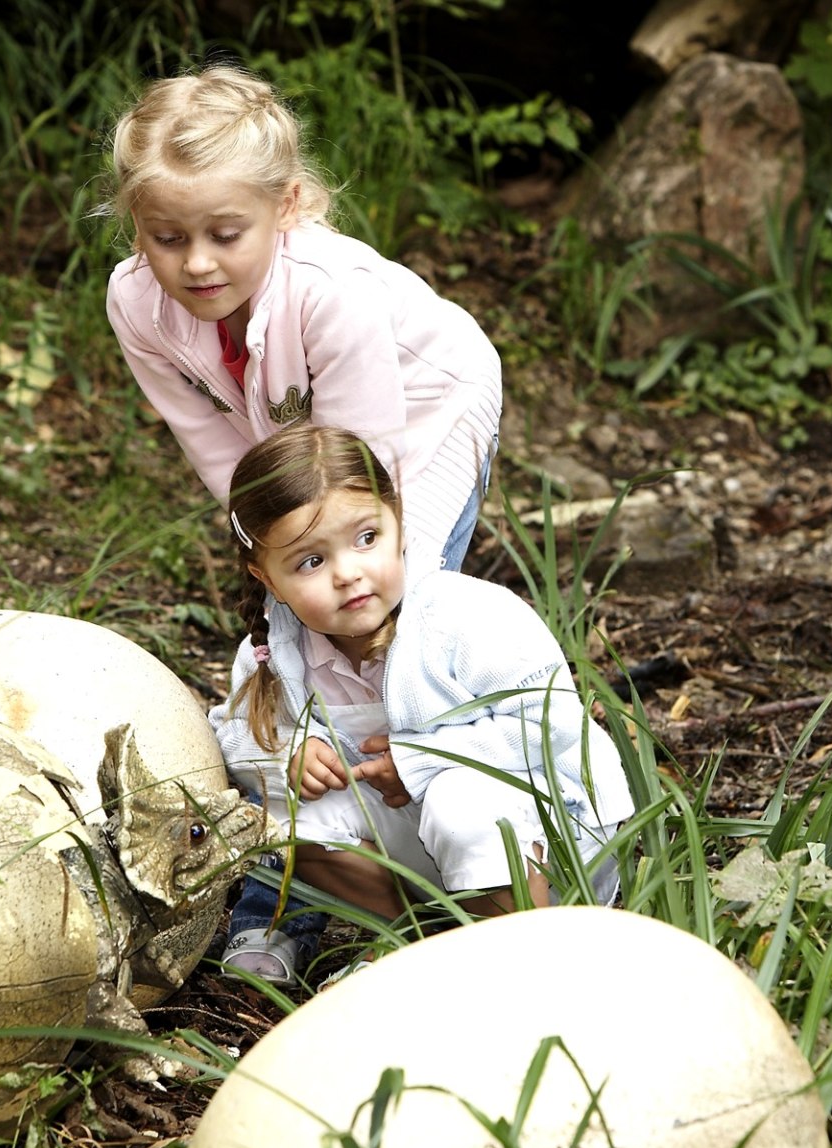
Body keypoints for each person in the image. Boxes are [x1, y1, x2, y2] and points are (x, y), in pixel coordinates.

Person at [103, 64, 503, 984]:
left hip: (414, 422)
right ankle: (283, 899)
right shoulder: (135, 299)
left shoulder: (331, 292)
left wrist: (315, 568)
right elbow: (210, 436)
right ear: (137, 229)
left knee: (380, 613)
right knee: (288, 640)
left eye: (224, 234)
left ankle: (463, 855)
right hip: (287, 452)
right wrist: (267, 552)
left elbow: (363, 472)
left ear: (284, 208)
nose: (196, 263)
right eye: (168, 238)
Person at [210, 425, 630, 967]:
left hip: (548, 847)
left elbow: (549, 725)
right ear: (264, 576)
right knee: (282, 824)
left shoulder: (466, 618)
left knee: (462, 802)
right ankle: (422, 944)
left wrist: (418, 761)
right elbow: (235, 733)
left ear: (398, 522)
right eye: (311, 562)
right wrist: (288, 753)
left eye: (366, 538)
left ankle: (519, 960)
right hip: (425, 863)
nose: (348, 574)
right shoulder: (273, 651)